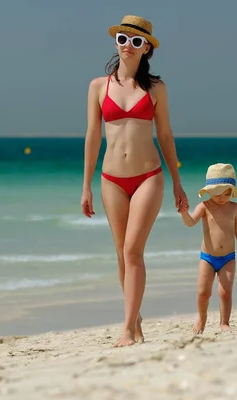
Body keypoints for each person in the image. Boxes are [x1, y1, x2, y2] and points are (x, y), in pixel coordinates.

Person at [81, 15, 189, 348]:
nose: (128, 45)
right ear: (117, 43)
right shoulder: (99, 87)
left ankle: (126, 329)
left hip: (148, 177)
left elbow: (166, 136)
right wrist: (85, 185)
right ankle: (135, 318)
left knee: (132, 251)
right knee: (120, 253)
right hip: (111, 179)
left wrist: (177, 182)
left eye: (136, 41)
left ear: (147, 50)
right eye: (123, 39)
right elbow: (93, 136)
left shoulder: (156, 89)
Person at [178, 163, 237, 334]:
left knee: (225, 293)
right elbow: (191, 222)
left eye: (226, 193)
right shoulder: (204, 206)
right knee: (203, 293)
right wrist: (184, 213)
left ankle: (224, 323)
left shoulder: (234, 208)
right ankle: (202, 318)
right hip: (207, 258)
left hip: (228, 258)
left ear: (232, 191)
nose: (222, 198)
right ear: (209, 191)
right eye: (217, 193)